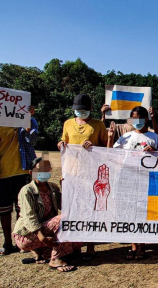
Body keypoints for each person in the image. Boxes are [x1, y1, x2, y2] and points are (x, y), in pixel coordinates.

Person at [0, 103, 38, 256]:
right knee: (4, 211)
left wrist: (27, 122)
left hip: (24, 172)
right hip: (2, 174)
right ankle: (7, 242)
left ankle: (23, 240)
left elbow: (32, 140)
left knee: (24, 210)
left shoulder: (29, 120)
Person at [57, 94, 108, 260]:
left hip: (90, 173)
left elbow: (107, 149)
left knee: (89, 208)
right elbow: (63, 141)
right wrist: (60, 144)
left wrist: (94, 147)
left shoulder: (98, 125)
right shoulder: (68, 123)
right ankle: (75, 245)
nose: (80, 113)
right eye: (77, 111)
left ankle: (90, 245)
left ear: (90, 109)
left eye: (83, 110)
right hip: (71, 172)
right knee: (73, 209)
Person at [110, 106, 158, 259]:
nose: (136, 121)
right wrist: (109, 137)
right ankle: (133, 245)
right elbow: (111, 152)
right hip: (127, 177)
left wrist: (154, 152)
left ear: (146, 119)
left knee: (142, 212)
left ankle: (142, 246)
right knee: (130, 211)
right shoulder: (126, 136)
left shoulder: (154, 137)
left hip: (145, 178)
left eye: (139, 118)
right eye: (133, 118)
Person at [13, 157, 81, 272]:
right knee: (64, 219)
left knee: (75, 227)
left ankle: (43, 253)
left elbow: (65, 206)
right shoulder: (27, 190)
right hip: (28, 234)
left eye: (47, 169)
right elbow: (29, 217)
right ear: (32, 172)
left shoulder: (53, 188)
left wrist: (65, 187)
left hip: (46, 230)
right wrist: (43, 238)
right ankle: (55, 259)